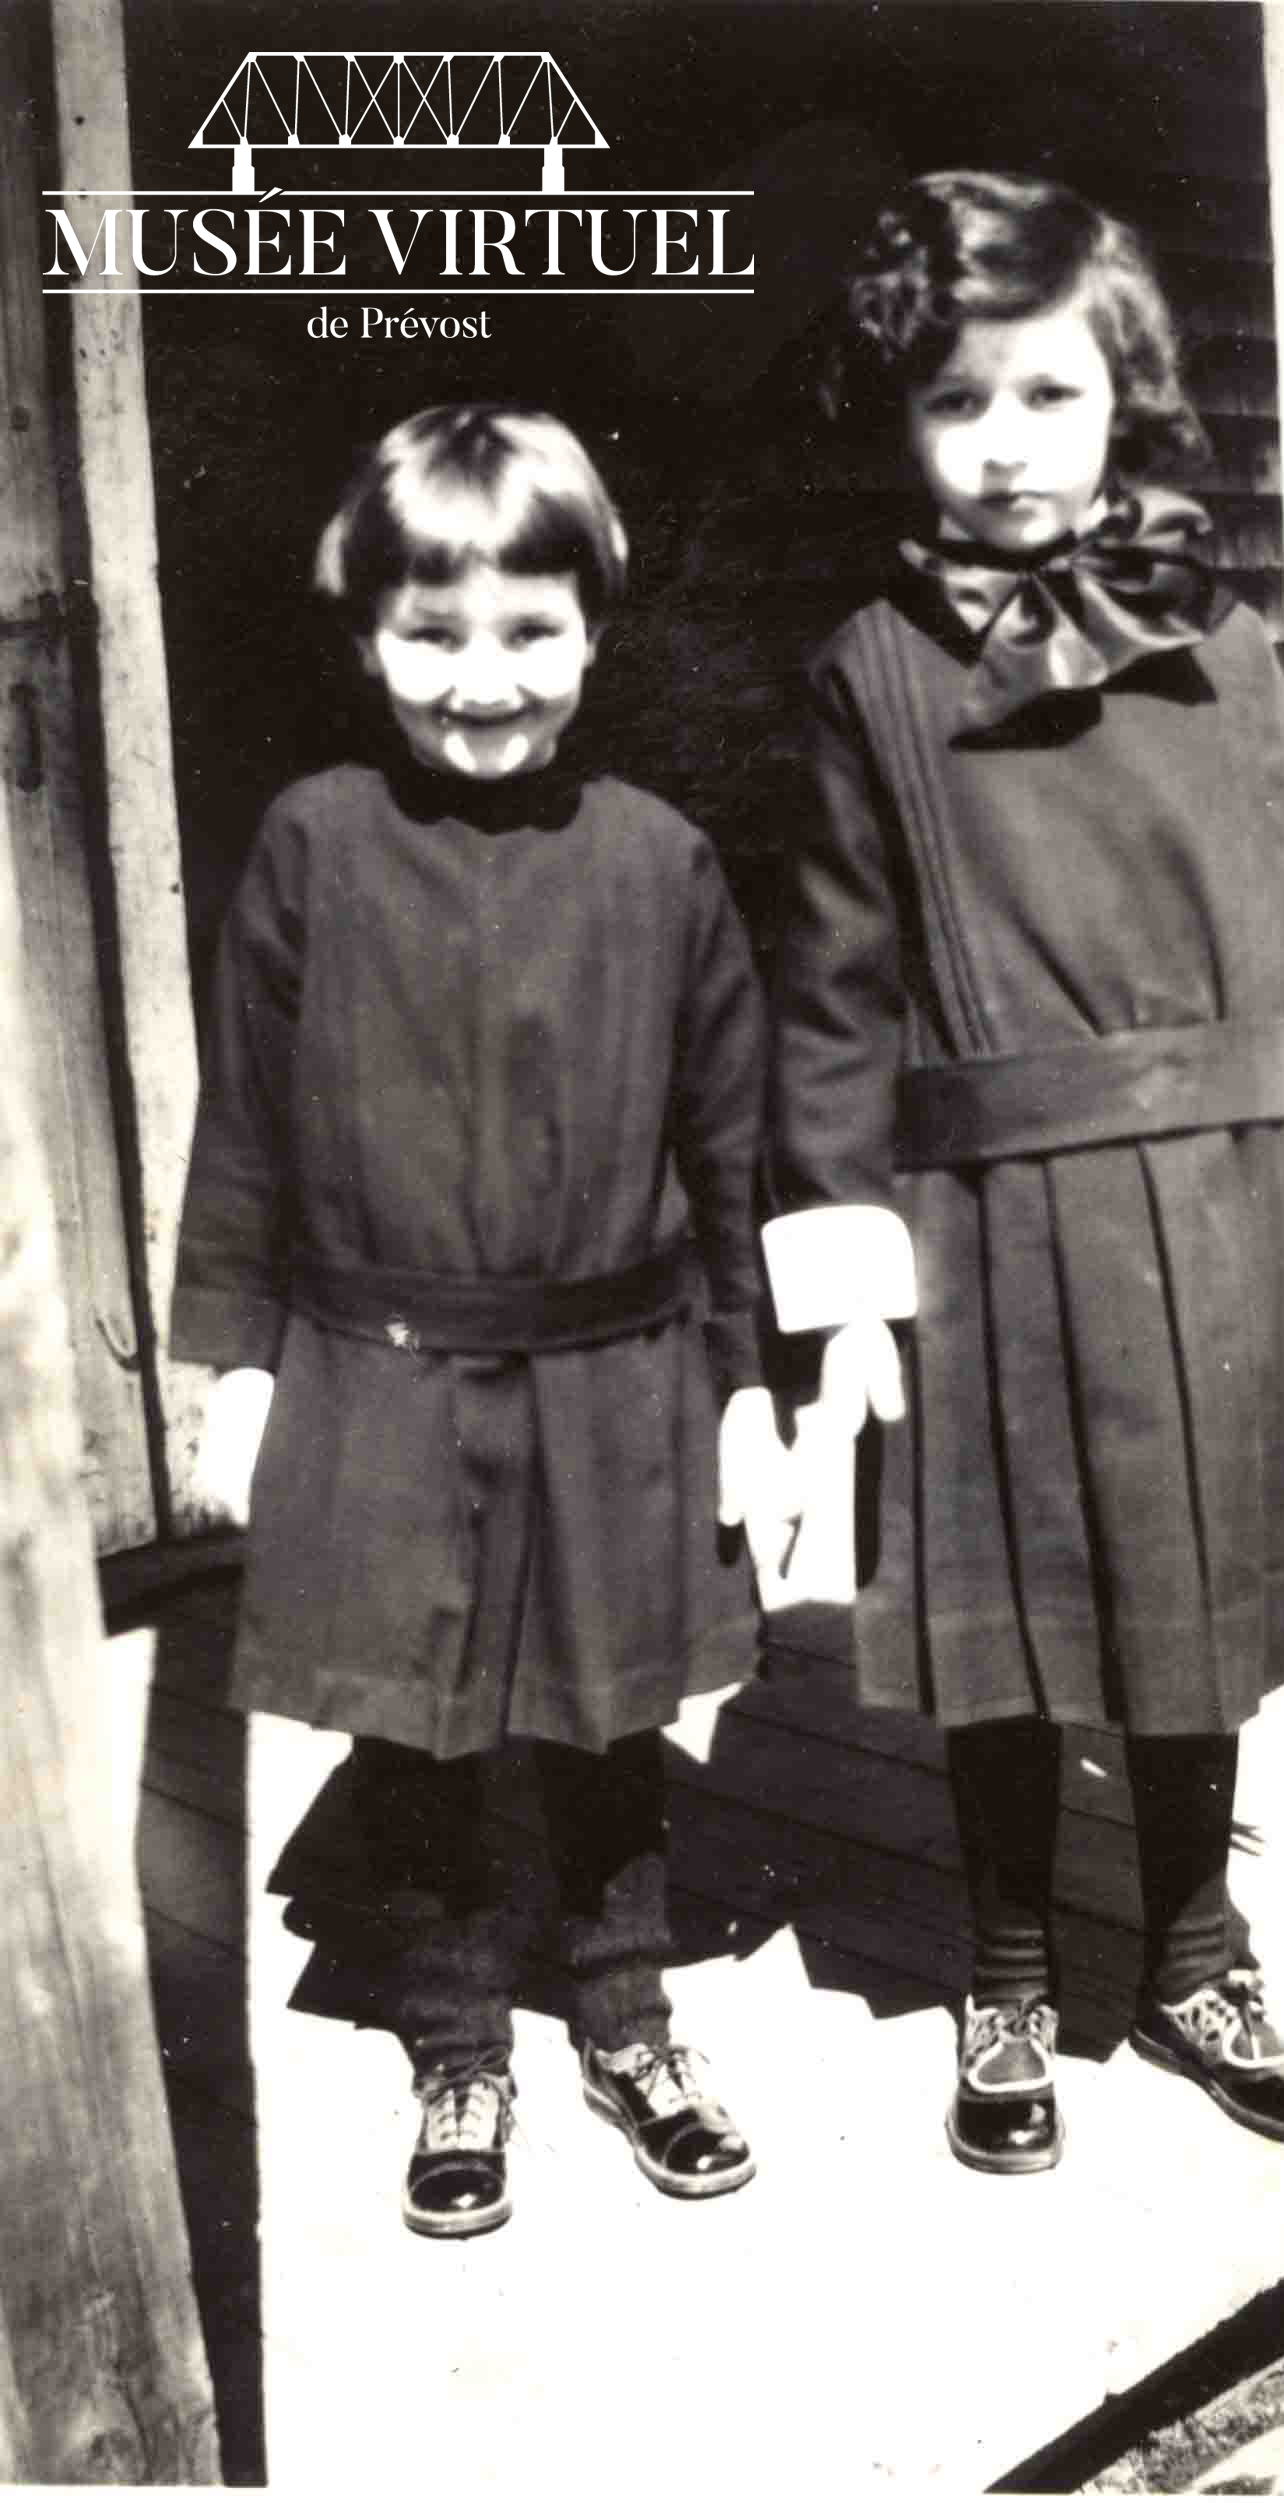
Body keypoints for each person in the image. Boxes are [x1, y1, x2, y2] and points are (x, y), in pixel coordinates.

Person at [763, 172, 1284, 2175]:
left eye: (1048, 393)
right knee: (1014, 1610)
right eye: (959, 404)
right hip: (990, 1209)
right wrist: (847, 1264)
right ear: (898, 422)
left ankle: (1197, 1945)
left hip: (1217, 1195)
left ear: (1119, 389)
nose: (1008, 441)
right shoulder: (870, 668)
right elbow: (834, 980)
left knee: (1200, 1587)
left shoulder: (1220, 629)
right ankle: (1012, 1963)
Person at [172, 404, 794, 2235]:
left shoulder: (658, 862)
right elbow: (246, 1132)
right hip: (380, 1365)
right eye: (430, 634)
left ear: (594, 628)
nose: (480, 679)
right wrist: (232, 1367)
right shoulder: (313, 843)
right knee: (418, 1723)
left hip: (617, 1364)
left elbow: (734, 1151)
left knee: (608, 1712)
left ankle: (622, 2008)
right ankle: (455, 2040)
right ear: (366, 637)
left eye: (528, 630)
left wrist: (748, 1394)